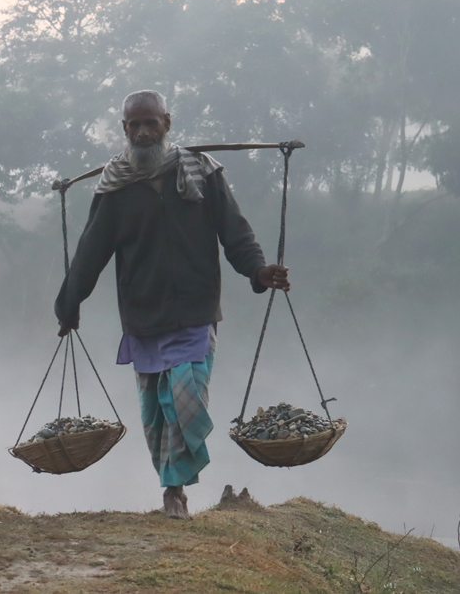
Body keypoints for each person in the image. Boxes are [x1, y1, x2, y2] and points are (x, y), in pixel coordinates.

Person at [55, 90, 290, 520]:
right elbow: (90, 254)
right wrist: (68, 307)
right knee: (156, 414)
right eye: (134, 126)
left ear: (167, 122)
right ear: (124, 130)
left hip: (195, 312)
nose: (143, 132)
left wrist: (259, 272)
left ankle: (176, 488)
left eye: (151, 123)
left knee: (184, 398)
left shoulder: (201, 173)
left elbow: (235, 233)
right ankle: (172, 489)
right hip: (144, 316)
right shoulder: (115, 187)